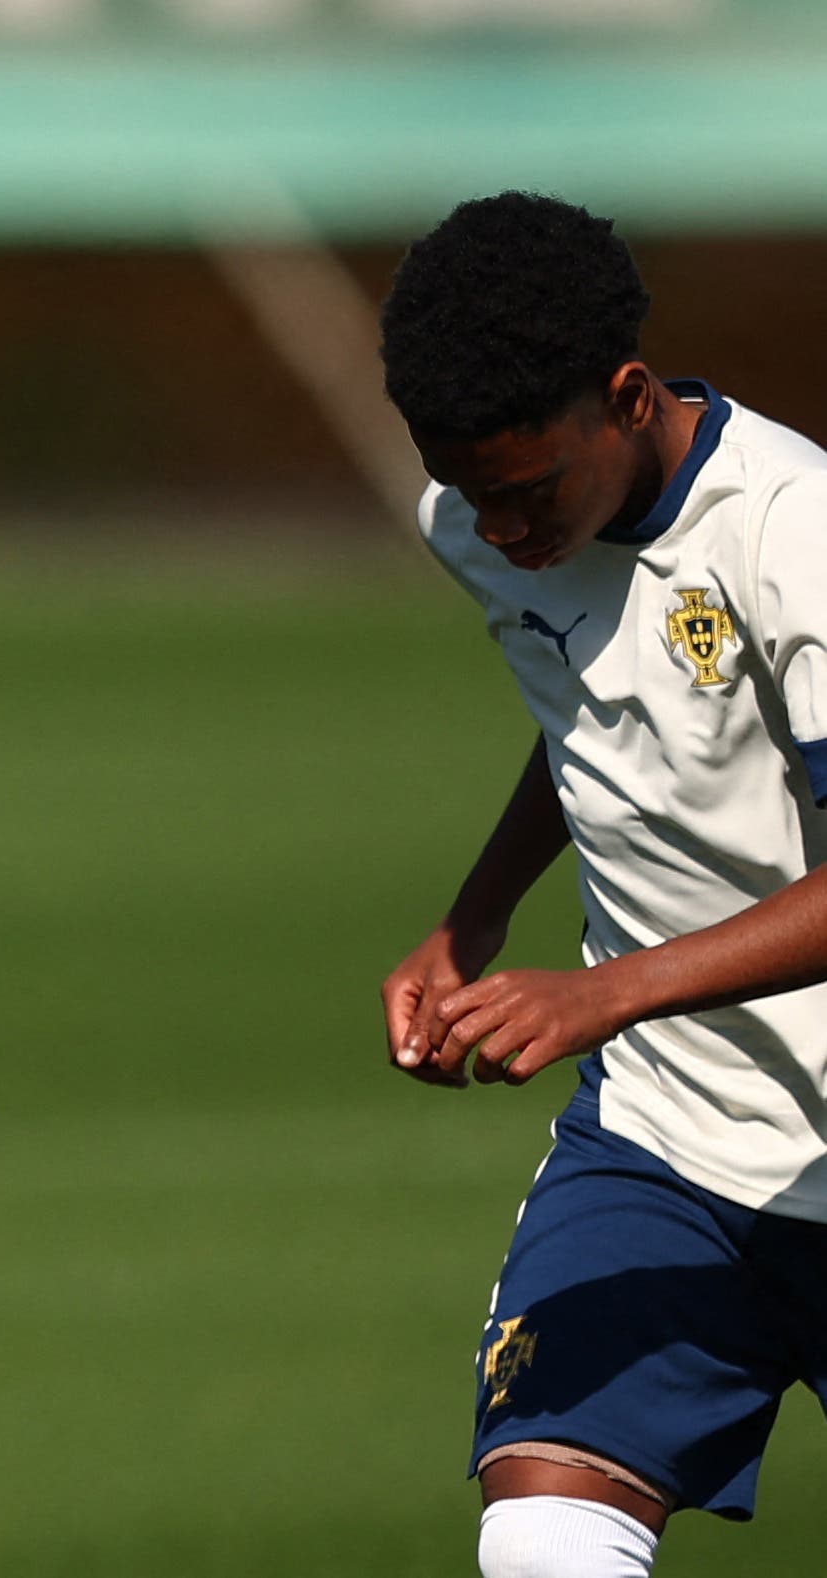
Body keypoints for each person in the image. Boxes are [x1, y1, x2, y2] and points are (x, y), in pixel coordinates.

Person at [380, 192, 827, 1578]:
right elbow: (595, 713)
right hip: (662, 1143)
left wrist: (601, 991)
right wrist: (474, 912)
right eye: (473, 492)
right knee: (540, 1542)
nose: (503, 531)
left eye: (529, 492)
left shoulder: (792, 537)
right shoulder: (469, 521)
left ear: (626, 397)